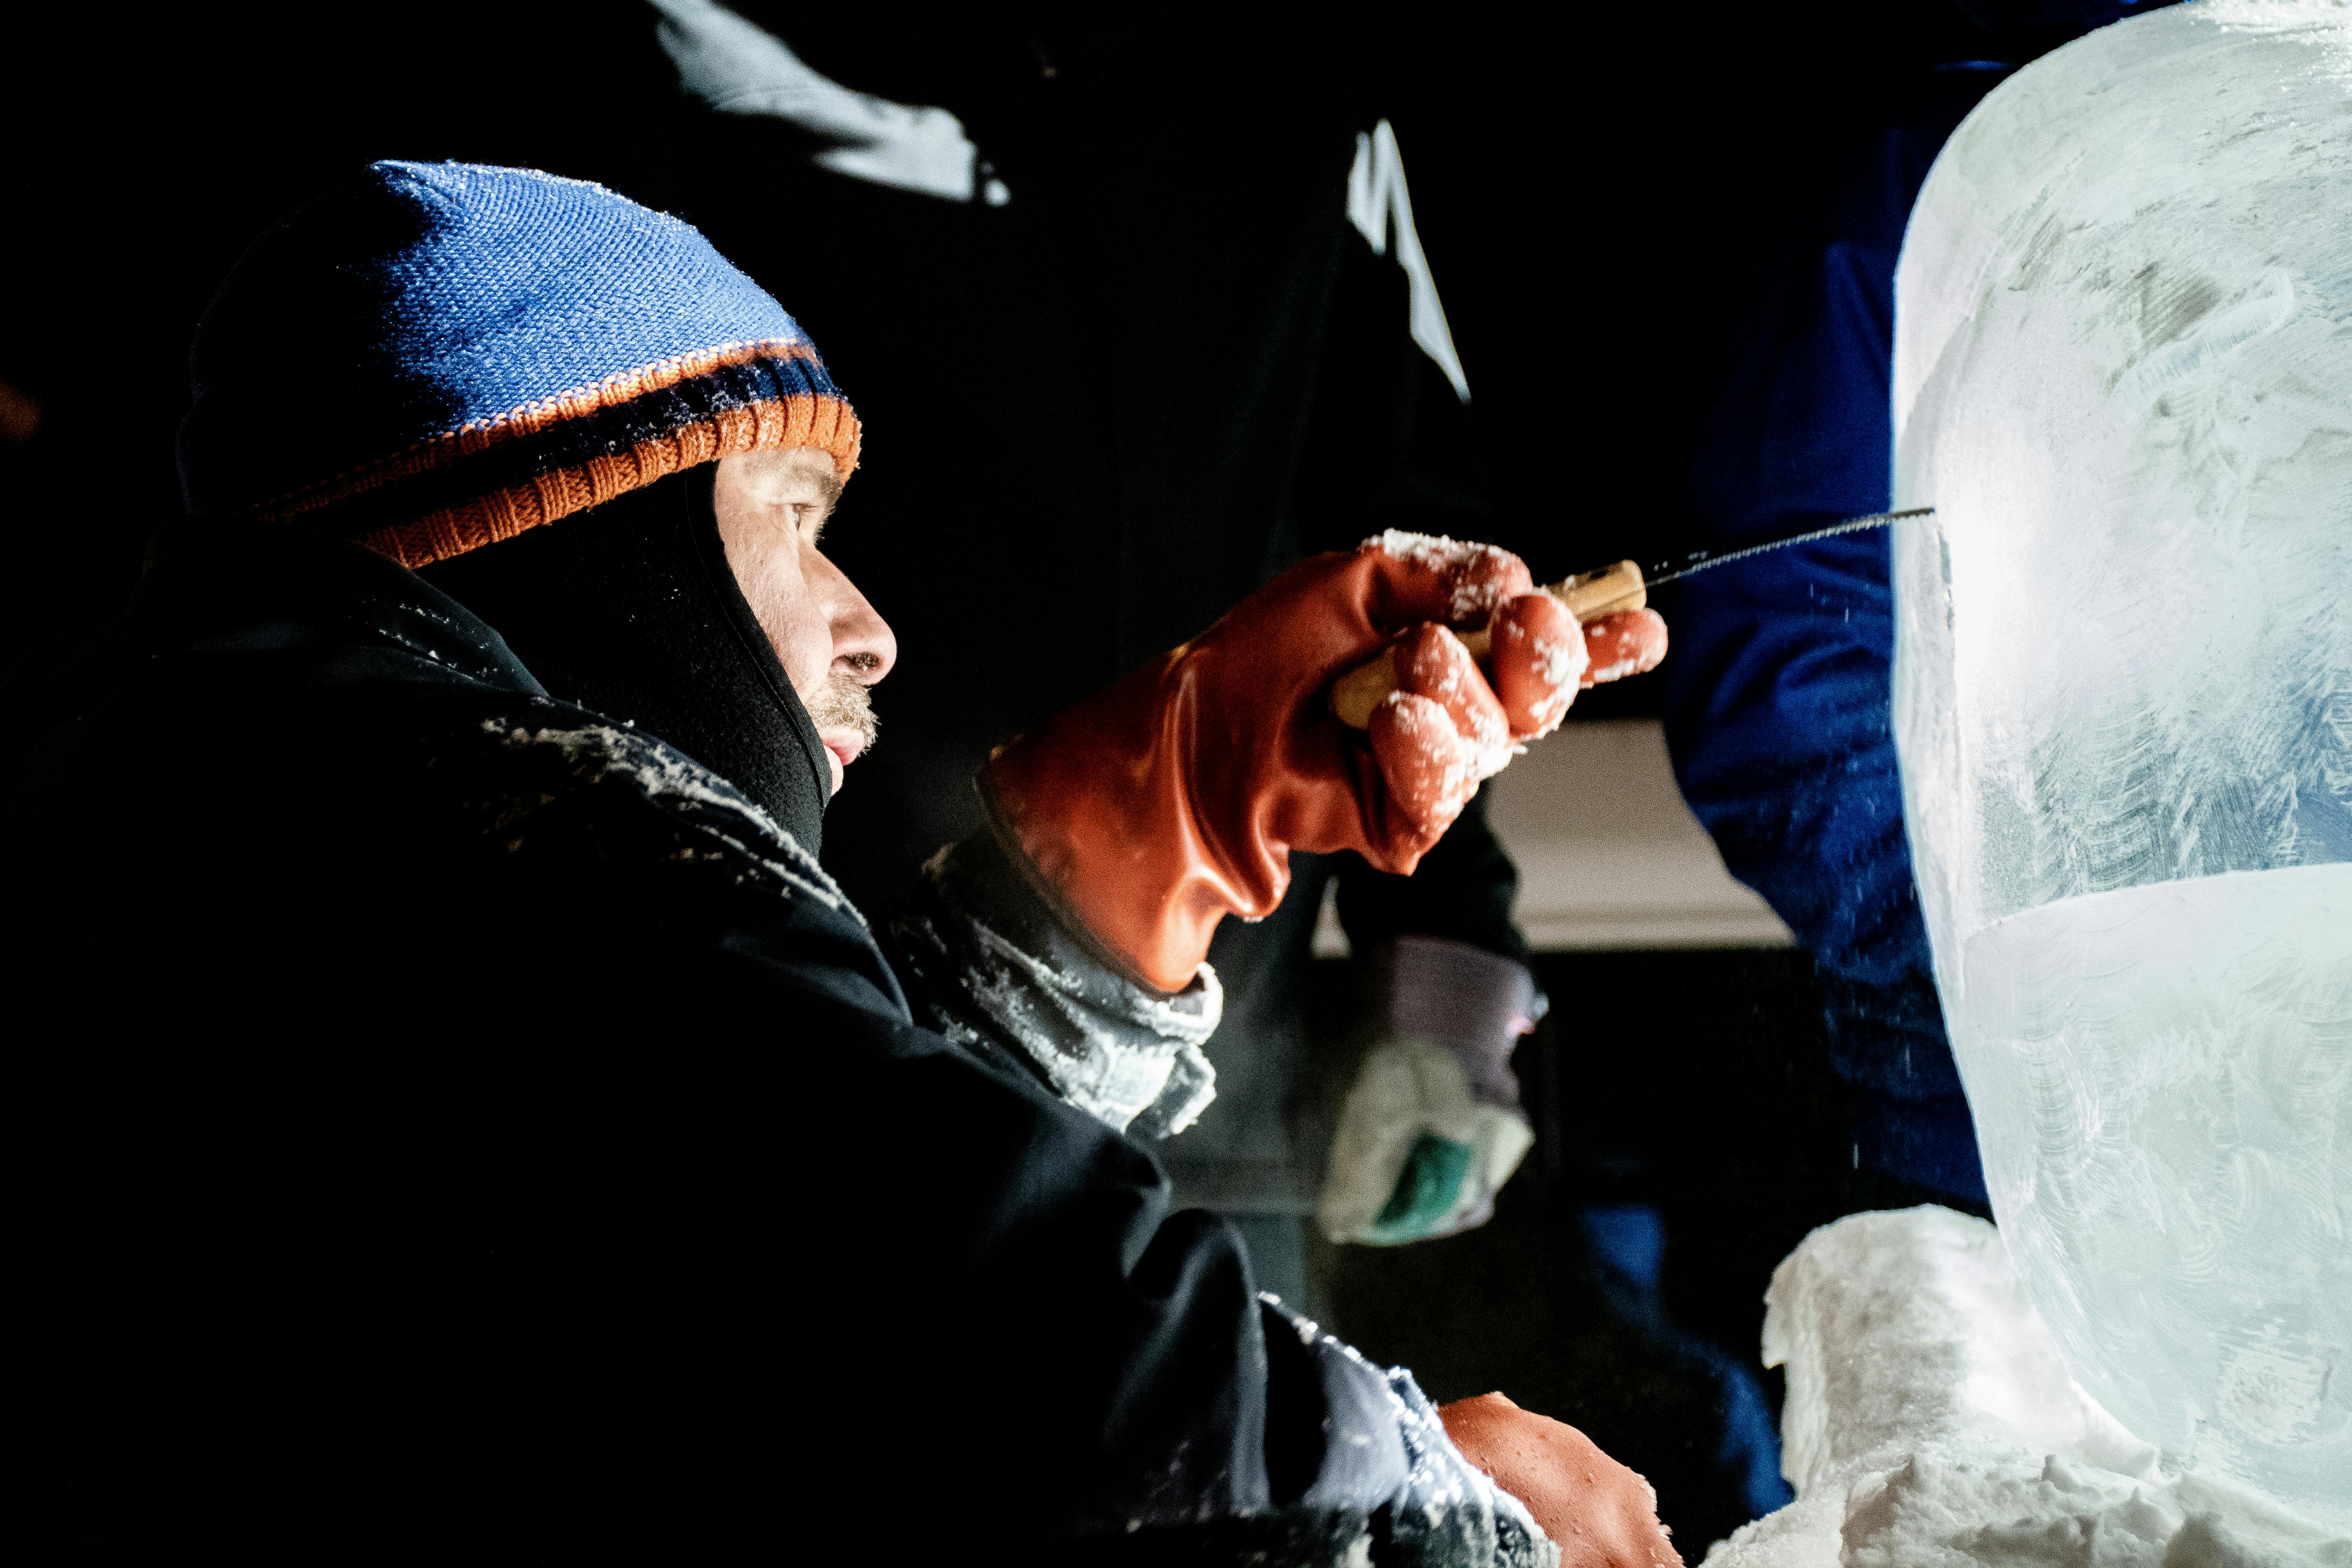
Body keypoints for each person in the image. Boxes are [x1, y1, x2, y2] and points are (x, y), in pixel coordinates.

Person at [1, 162, 1674, 1564]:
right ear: (591, 507)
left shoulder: (249, 815)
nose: (871, 627)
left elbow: (761, 1209)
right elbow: (1025, 1356)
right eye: (795, 518)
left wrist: (1159, 822)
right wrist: (1423, 1496)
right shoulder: (498, 838)